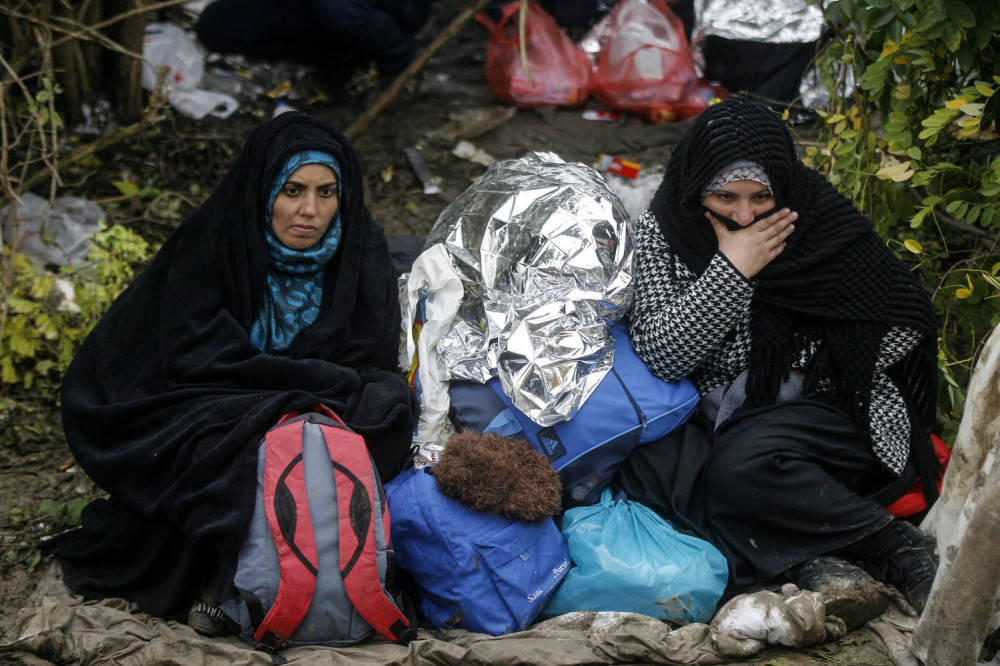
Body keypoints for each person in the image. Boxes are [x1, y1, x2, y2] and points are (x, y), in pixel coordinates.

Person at [45, 112, 416, 635]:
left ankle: (346, 573)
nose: (310, 211)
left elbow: (369, 357)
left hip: (312, 401)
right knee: (241, 442)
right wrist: (300, 388)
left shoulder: (361, 251)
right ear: (263, 190)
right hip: (201, 393)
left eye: (327, 192)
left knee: (383, 412)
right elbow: (192, 354)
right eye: (292, 190)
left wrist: (321, 391)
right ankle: (225, 584)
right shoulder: (215, 238)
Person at [615, 97, 941, 624]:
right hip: (715, 413)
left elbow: (906, 319)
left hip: (831, 415)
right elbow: (661, 354)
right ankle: (821, 564)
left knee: (740, 467)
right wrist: (730, 271)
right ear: (697, 186)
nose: (744, 216)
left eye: (760, 197)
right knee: (646, 475)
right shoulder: (664, 229)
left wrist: (811, 364)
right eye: (725, 197)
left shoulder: (816, 218)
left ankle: (896, 546)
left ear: (782, 188)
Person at [194, 0, 433, 88]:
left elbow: (350, 15)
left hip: (402, 10)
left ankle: (351, 53)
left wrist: (397, 61)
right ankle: (341, 51)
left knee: (342, 13)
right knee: (216, 24)